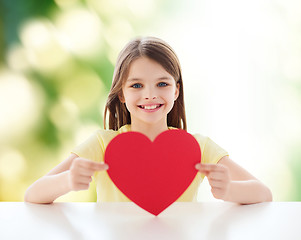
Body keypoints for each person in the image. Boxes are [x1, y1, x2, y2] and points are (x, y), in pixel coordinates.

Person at [24, 36, 272, 204]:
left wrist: (230, 189)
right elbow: (32, 194)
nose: (150, 94)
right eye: (137, 85)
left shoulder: (198, 147)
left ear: (176, 90)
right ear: (122, 93)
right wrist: (68, 181)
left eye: (162, 84)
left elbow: (263, 193)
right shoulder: (102, 144)